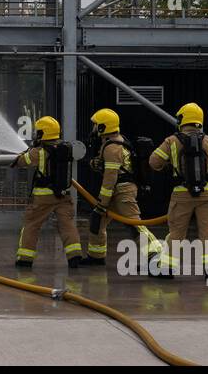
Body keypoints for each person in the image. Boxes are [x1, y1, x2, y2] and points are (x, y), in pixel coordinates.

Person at [148, 102, 208, 277]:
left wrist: (167, 166)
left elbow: (154, 162)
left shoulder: (172, 141)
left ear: (182, 119)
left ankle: (167, 268)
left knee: (177, 232)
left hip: (182, 194)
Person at [87, 108, 164, 270]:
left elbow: (110, 178)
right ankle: (96, 257)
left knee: (134, 225)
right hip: (117, 190)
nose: (93, 129)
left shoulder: (111, 147)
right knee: (97, 221)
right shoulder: (112, 143)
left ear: (103, 127)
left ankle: (156, 255)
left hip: (122, 191)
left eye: (95, 125)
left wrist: (102, 203)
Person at [13, 116, 85, 269]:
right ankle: (74, 257)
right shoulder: (66, 148)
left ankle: (25, 259)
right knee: (68, 226)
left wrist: (27, 151)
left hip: (42, 198)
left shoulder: (38, 152)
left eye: (37, 132)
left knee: (31, 225)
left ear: (42, 134)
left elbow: (21, 162)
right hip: (64, 196)